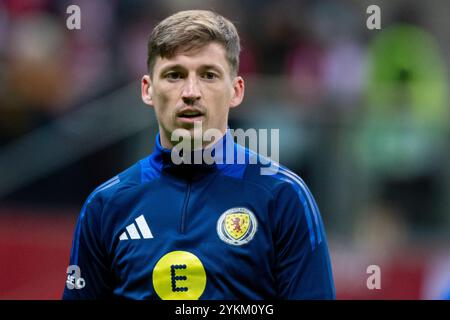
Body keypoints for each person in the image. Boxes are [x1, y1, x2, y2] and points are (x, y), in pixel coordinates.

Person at [63, 10, 335, 300]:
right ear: (148, 90)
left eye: (208, 75)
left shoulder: (283, 197)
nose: (191, 91)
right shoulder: (105, 206)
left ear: (236, 90)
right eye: (174, 75)